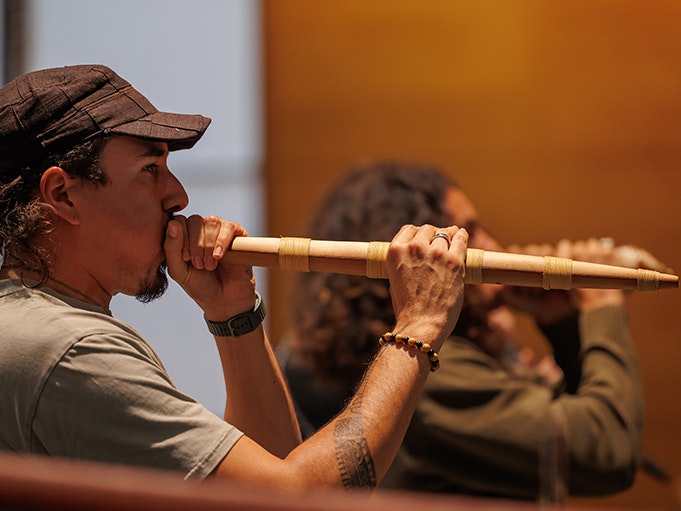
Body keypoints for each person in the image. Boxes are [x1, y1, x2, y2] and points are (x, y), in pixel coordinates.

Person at [0, 65, 469, 491]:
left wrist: (234, 314)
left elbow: (260, 480)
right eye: (150, 169)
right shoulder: (68, 350)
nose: (178, 196)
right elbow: (290, 500)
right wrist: (418, 323)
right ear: (62, 194)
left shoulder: (34, 327)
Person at [276, 161, 644, 501]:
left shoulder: (425, 357)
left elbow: (581, 427)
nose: (494, 247)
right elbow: (607, 451)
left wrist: (561, 323)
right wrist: (602, 305)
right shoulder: (425, 367)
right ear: (419, 252)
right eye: (470, 232)